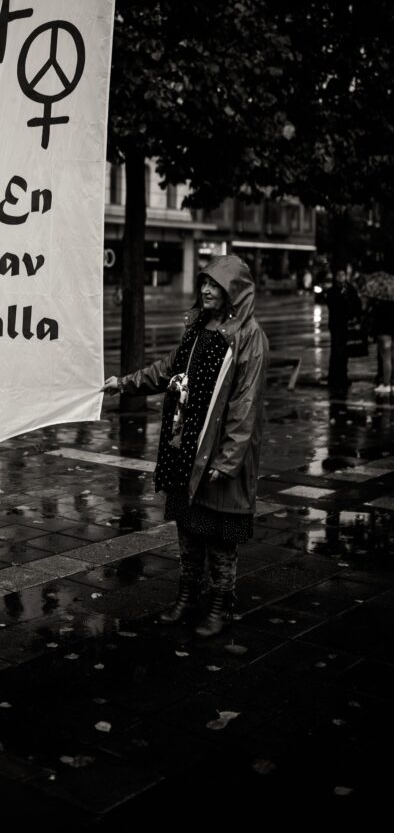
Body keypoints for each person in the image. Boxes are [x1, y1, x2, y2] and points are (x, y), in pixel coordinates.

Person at [103, 254, 268, 638]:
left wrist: (227, 460)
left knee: (220, 537)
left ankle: (219, 605)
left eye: (215, 285)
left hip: (219, 453)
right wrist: (124, 383)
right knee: (189, 530)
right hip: (187, 444)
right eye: (204, 283)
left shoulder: (249, 336)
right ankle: (187, 595)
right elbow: (169, 370)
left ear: (234, 291)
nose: (207, 290)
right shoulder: (198, 326)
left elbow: (246, 405)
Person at [325, 266, 362, 393]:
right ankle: (334, 376)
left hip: (347, 325)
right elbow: (333, 306)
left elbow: (357, 304)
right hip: (336, 325)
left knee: (345, 352)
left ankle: (343, 375)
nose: (341, 278)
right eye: (339, 275)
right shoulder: (332, 291)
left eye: (343, 275)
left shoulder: (350, 289)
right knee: (336, 350)